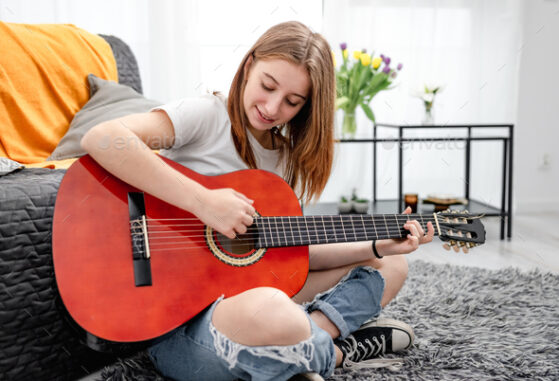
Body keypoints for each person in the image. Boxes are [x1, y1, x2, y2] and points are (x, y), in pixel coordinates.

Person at [81, 21, 434, 381]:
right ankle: (332, 352)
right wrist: (204, 201)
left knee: (390, 266)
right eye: (267, 86)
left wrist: (376, 244)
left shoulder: (283, 159)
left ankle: (303, 343)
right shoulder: (207, 116)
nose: (272, 107)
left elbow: (292, 253)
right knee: (276, 312)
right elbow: (103, 137)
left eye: (292, 102)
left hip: (249, 308)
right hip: (180, 329)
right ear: (249, 66)